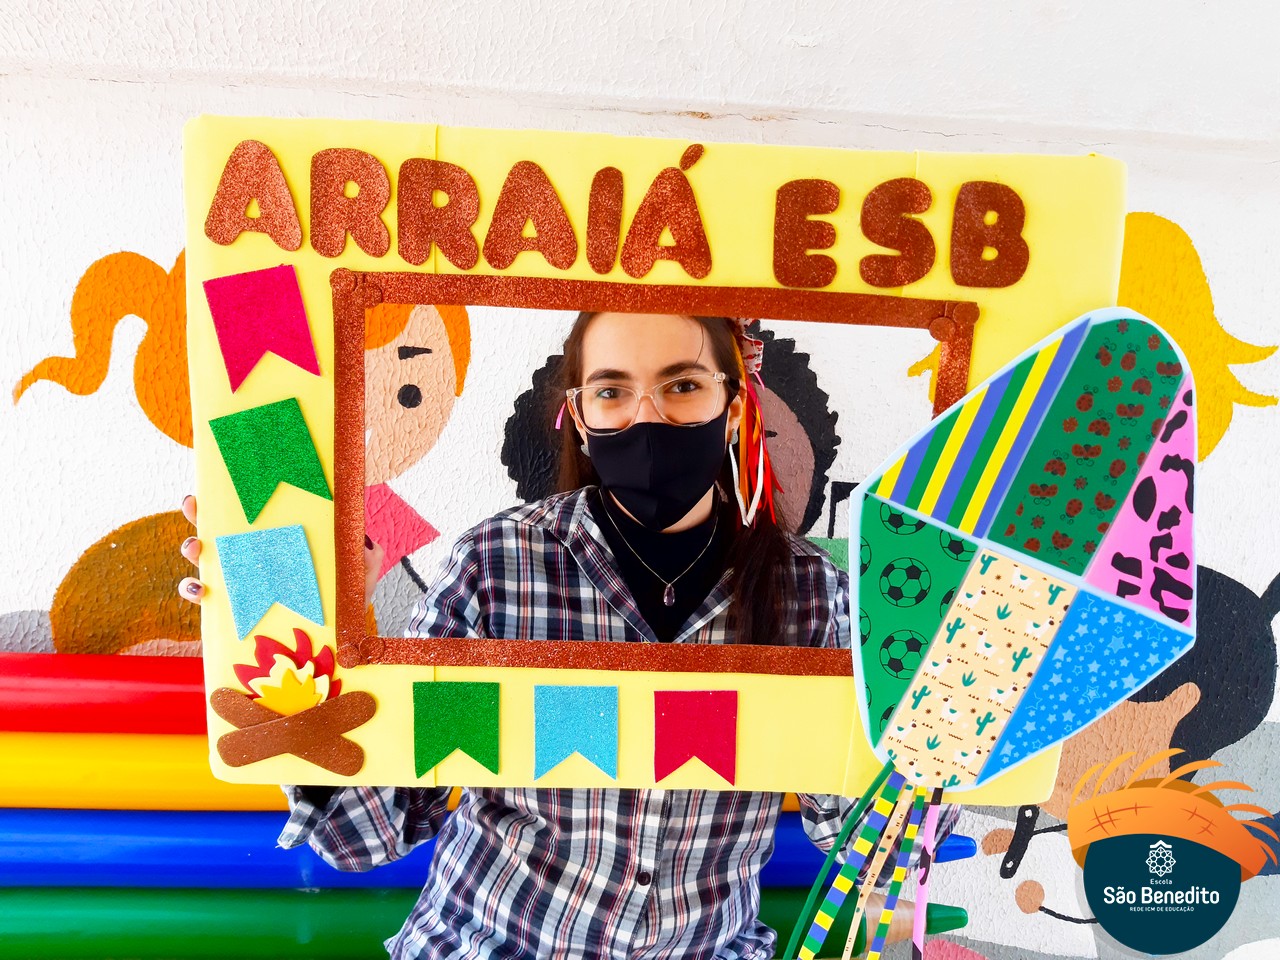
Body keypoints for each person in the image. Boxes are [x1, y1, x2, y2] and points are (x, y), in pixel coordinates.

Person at [180, 311, 950, 959]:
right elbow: (361, 837)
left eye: (683, 385)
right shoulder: (499, 564)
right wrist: (292, 614)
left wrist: (939, 689)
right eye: (612, 391)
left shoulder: (811, 596)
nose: (648, 417)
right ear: (580, 415)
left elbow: (874, 850)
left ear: (735, 400)